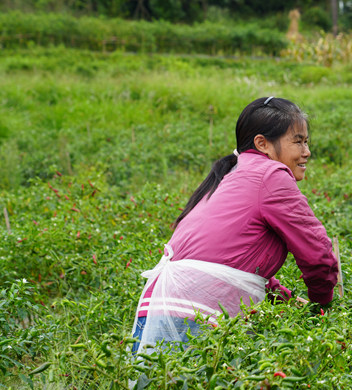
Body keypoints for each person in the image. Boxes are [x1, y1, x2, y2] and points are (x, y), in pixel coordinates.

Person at [130, 96, 339, 355]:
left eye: (306, 141)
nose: (306, 151)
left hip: (156, 308)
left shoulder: (232, 174)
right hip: (196, 314)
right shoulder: (271, 175)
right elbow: (318, 254)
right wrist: (322, 307)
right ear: (262, 143)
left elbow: (229, 256)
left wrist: (283, 298)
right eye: (297, 141)